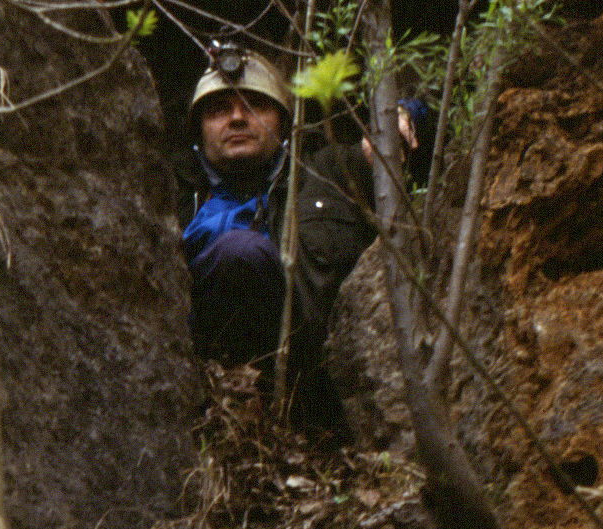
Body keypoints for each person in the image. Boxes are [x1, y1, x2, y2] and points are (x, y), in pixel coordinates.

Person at [180, 46, 428, 373]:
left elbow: (448, 96)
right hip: (190, 376)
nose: (237, 118)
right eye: (219, 110)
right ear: (199, 131)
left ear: (283, 124)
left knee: (242, 252)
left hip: (314, 375)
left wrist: (405, 116)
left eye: (255, 105)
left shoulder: (331, 173)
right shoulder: (169, 198)